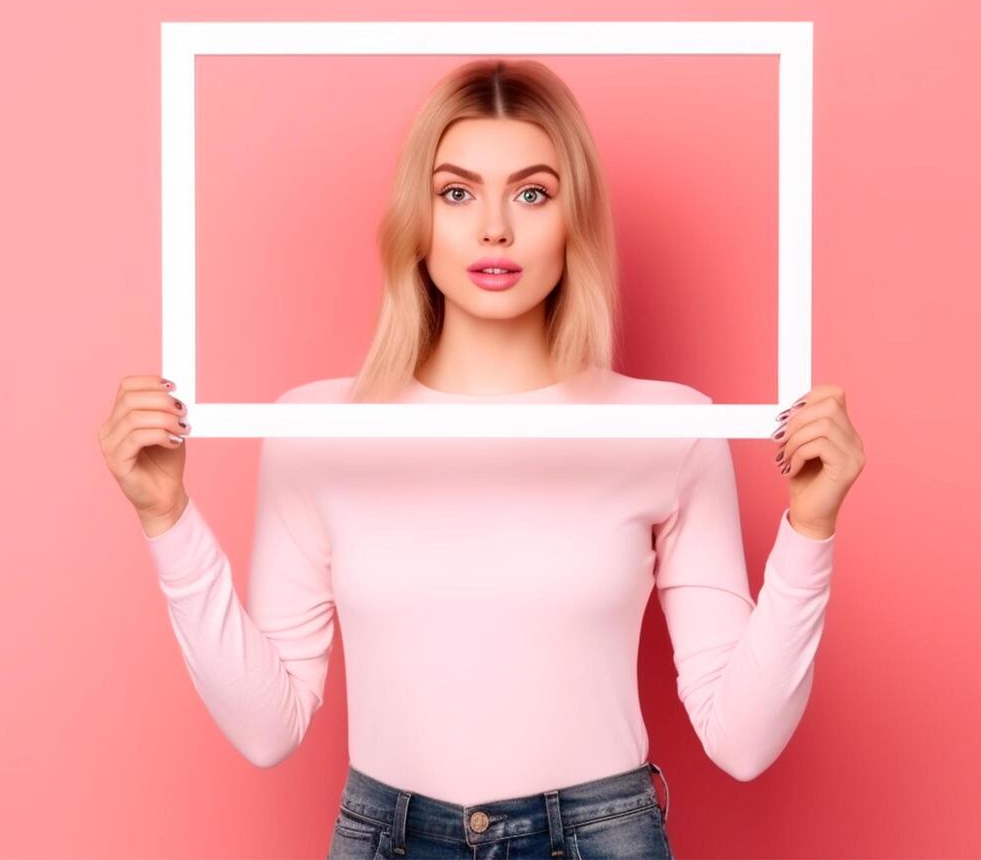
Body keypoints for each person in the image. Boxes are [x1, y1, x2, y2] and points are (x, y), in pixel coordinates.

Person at [97, 59, 867, 859]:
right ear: (416, 218)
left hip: (598, 837)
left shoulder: (669, 426)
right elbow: (268, 727)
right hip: (387, 836)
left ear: (575, 220)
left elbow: (742, 742)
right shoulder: (318, 427)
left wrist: (810, 527)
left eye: (532, 193)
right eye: (457, 192)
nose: (494, 228)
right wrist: (167, 519)